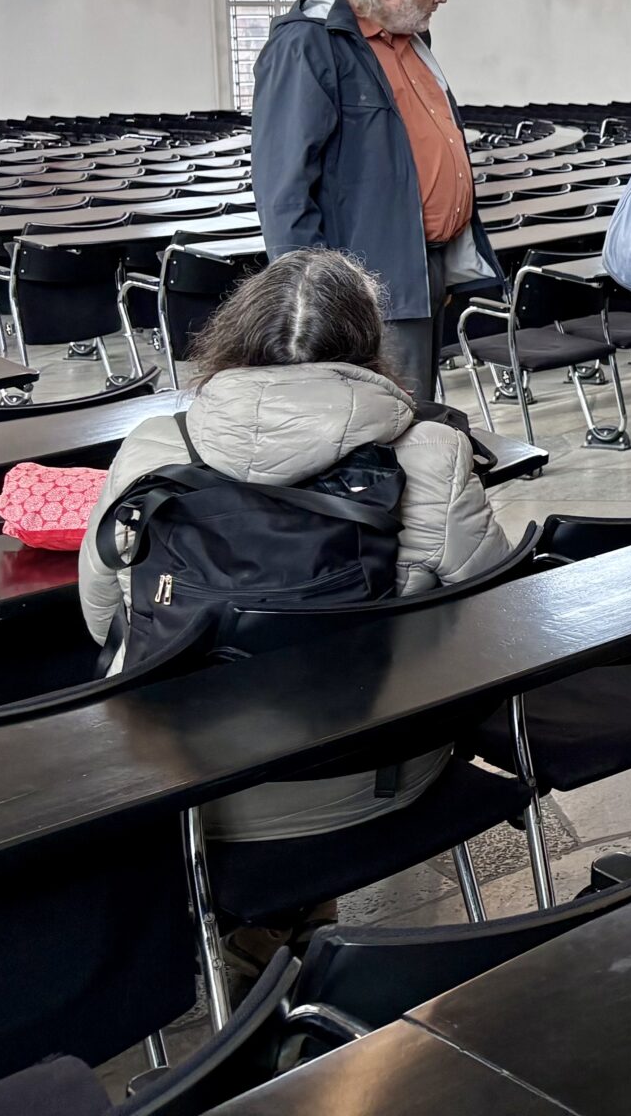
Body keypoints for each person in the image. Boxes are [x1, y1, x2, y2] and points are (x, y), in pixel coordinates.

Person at [79, 248, 511, 841]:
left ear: (234, 334)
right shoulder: (434, 451)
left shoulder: (152, 446)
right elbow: (496, 614)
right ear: (368, 341)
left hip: (186, 792)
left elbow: (101, 616)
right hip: (377, 770)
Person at [251, 0, 501, 405]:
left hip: (421, 263)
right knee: (386, 417)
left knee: (416, 410)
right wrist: (312, 294)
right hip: (365, 281)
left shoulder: (410, 39)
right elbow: (283, 185)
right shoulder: (308, 44)